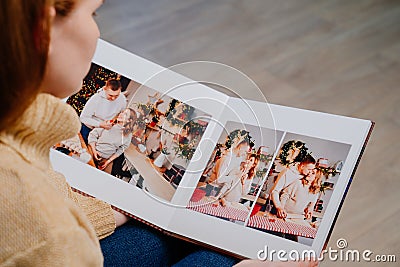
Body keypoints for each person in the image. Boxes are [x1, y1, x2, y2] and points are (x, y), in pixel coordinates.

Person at [0, 0, 316, 266]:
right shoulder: (38, 216)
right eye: (93, 12)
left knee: (173, 231)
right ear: (43, 27)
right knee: (246, 246)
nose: (97, 31)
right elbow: (41, 234)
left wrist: (104, 213)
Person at [88, 108, 136, 174]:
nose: (121, 114)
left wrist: (108, 161)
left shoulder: (128, 135)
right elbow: (92, 134)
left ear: (129, 120)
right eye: (122, 112)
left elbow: (121, 149)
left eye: (125, 114)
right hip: (93, 151)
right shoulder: (109, 124)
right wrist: (94, 151)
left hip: (106, 159)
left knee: (105, 177)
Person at [80, 78, 127, 144]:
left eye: (116, 95)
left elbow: (121, 113)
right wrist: (100, 124)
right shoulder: (95, 98)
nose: (113, 98)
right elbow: (83, 118)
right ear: (105, 89)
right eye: (110, 95)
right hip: (88, 129)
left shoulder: (122, 99)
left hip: (104, 132)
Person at [270, 154, 316, 219]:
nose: (310, 172)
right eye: (309, 169)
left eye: (312, 170)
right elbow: (275, 191)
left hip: (289, 213)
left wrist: (311, 206)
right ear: (302, 166)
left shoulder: (305, 175)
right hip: (276, 204)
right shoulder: (287, 173)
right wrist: (279, 207)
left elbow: (315, 191)